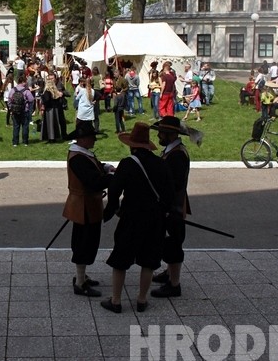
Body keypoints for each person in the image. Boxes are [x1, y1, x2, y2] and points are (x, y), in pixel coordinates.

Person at [101, 122, 169, 313]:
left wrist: (113, 210)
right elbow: (168, 193)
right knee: (148, 260)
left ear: (132, 145)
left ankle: (115, 300)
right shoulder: (160, 164)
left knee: (121, 259)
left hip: (131, 217)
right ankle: (141, 299)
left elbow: (114, 190)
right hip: (154, 219)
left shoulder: (127, 164)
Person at [62, 121, 114, 299]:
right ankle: (80, 283)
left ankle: (82, 276)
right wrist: (111, 178)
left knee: (87, 241)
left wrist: (106, 167)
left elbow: (94, 166)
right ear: (83, 139)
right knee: (84, 243)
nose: (94, 141)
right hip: (83, 206)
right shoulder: (78, 157)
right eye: (92, 137)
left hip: (88, 205)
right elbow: (92, 181)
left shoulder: (81, 154)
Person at [150, 116, 194, 298]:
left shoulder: (176, 155)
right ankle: (169, 273)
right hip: (172, 204)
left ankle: (174, 284)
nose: (158, 135)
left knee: (173, 244)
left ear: (170, 134)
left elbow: (172, 184)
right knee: (169, 242)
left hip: (173, 206)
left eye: (161, 133)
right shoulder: (172, 151)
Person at [8, 74, 35, 147]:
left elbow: (9, 100)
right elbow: (31, 99)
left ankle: (15, 142)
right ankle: (25, 142)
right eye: (25, 82)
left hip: (15, 111)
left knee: (16, 127)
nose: (26, 83)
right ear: (23, 82)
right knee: (25, 126)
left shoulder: (13, 90)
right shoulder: (26, 91)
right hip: (24, 111)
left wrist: (11, 108)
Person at [40, 77, 66, 142]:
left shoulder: (47, 91)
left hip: (49, 109)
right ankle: (55, 137)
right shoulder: (55, 91)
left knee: (49, 124)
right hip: (55, 109)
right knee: (54, 123)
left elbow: (46, 100)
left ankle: (51, 138)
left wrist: (43, 101)